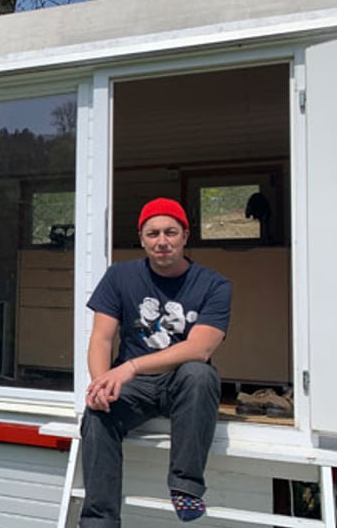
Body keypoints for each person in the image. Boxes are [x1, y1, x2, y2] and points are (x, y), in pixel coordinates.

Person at [79, 197, 232, 527]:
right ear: (142, 238)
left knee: (199, 373)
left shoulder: (215, 285)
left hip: (183, 386)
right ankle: (98, 521)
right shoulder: (120, 276)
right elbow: (101, 338)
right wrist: (101, 382)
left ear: (185, 236)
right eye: (153, 234)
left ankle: (185, 487)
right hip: (137, 389)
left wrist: (131, 366)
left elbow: (199, 348)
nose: (162, 241)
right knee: (96, 411)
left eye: (170, 232)